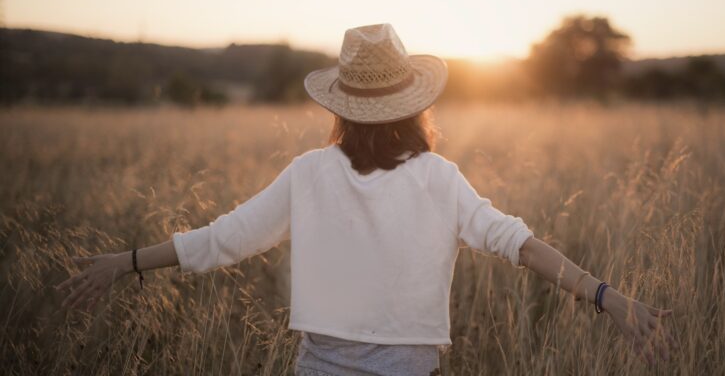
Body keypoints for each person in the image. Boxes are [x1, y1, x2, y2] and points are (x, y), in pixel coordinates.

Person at [56, 23, 674, 375]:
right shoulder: (440, 178)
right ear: (414, 106)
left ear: (343, 108)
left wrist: (125, 262)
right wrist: (606, 296)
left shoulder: (309, 172)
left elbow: (224, 240)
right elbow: (522, 245)